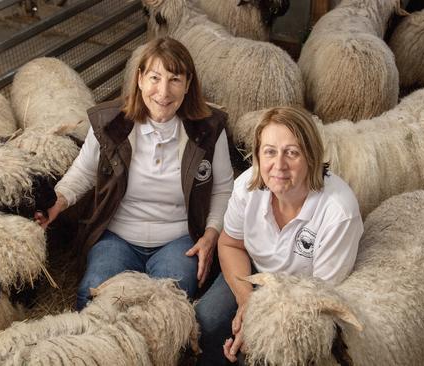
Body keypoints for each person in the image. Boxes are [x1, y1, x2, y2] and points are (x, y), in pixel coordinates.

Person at [36, 36, 234, 310]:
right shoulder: (110, 123)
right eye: (155, 77)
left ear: (188, 84)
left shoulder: (209, 129)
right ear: (139, 79)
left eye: (174, 79)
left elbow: (223, 189)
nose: (163, 92)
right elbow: (83, 171)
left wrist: (210, 235)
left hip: (178, 239)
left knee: (167, 305)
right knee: (92, 295)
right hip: (117, 236)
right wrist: (57, 203)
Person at [195, 106, 363, 365]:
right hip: (253, 274)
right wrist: (247, 301)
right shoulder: (246, 188)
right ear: (258, 156)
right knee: (207, 321)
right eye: (269, 152)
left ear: (311, 156)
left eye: (292, 153)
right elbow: (230, 244)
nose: (279, 165)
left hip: (302, 296)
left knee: (259, 354)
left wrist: (260, 325)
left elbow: (320, 296)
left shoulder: (339, 212)